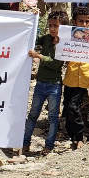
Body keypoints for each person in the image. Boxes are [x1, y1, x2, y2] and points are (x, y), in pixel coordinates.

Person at [22, 10, 66, 155]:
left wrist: (39, 56)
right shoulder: (46, 39)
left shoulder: (63, 44)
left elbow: (56, 64)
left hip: (54, 85)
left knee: (53, 117)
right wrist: (34, 18)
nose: (53, 28)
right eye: (51, 25)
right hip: (41, 83)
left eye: (56, 26)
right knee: (33, 114)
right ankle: (25, 144)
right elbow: (32, 38)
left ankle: (49, 146)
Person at [62, 6, 89, 149]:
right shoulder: (67, 36)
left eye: (87, 22)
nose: (84, 25)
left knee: (75, 107)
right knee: (69, 106)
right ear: (74, 22)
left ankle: (80, 137)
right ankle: (73, 136)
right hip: (71, 77)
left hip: (84, 77)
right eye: (81, 22)